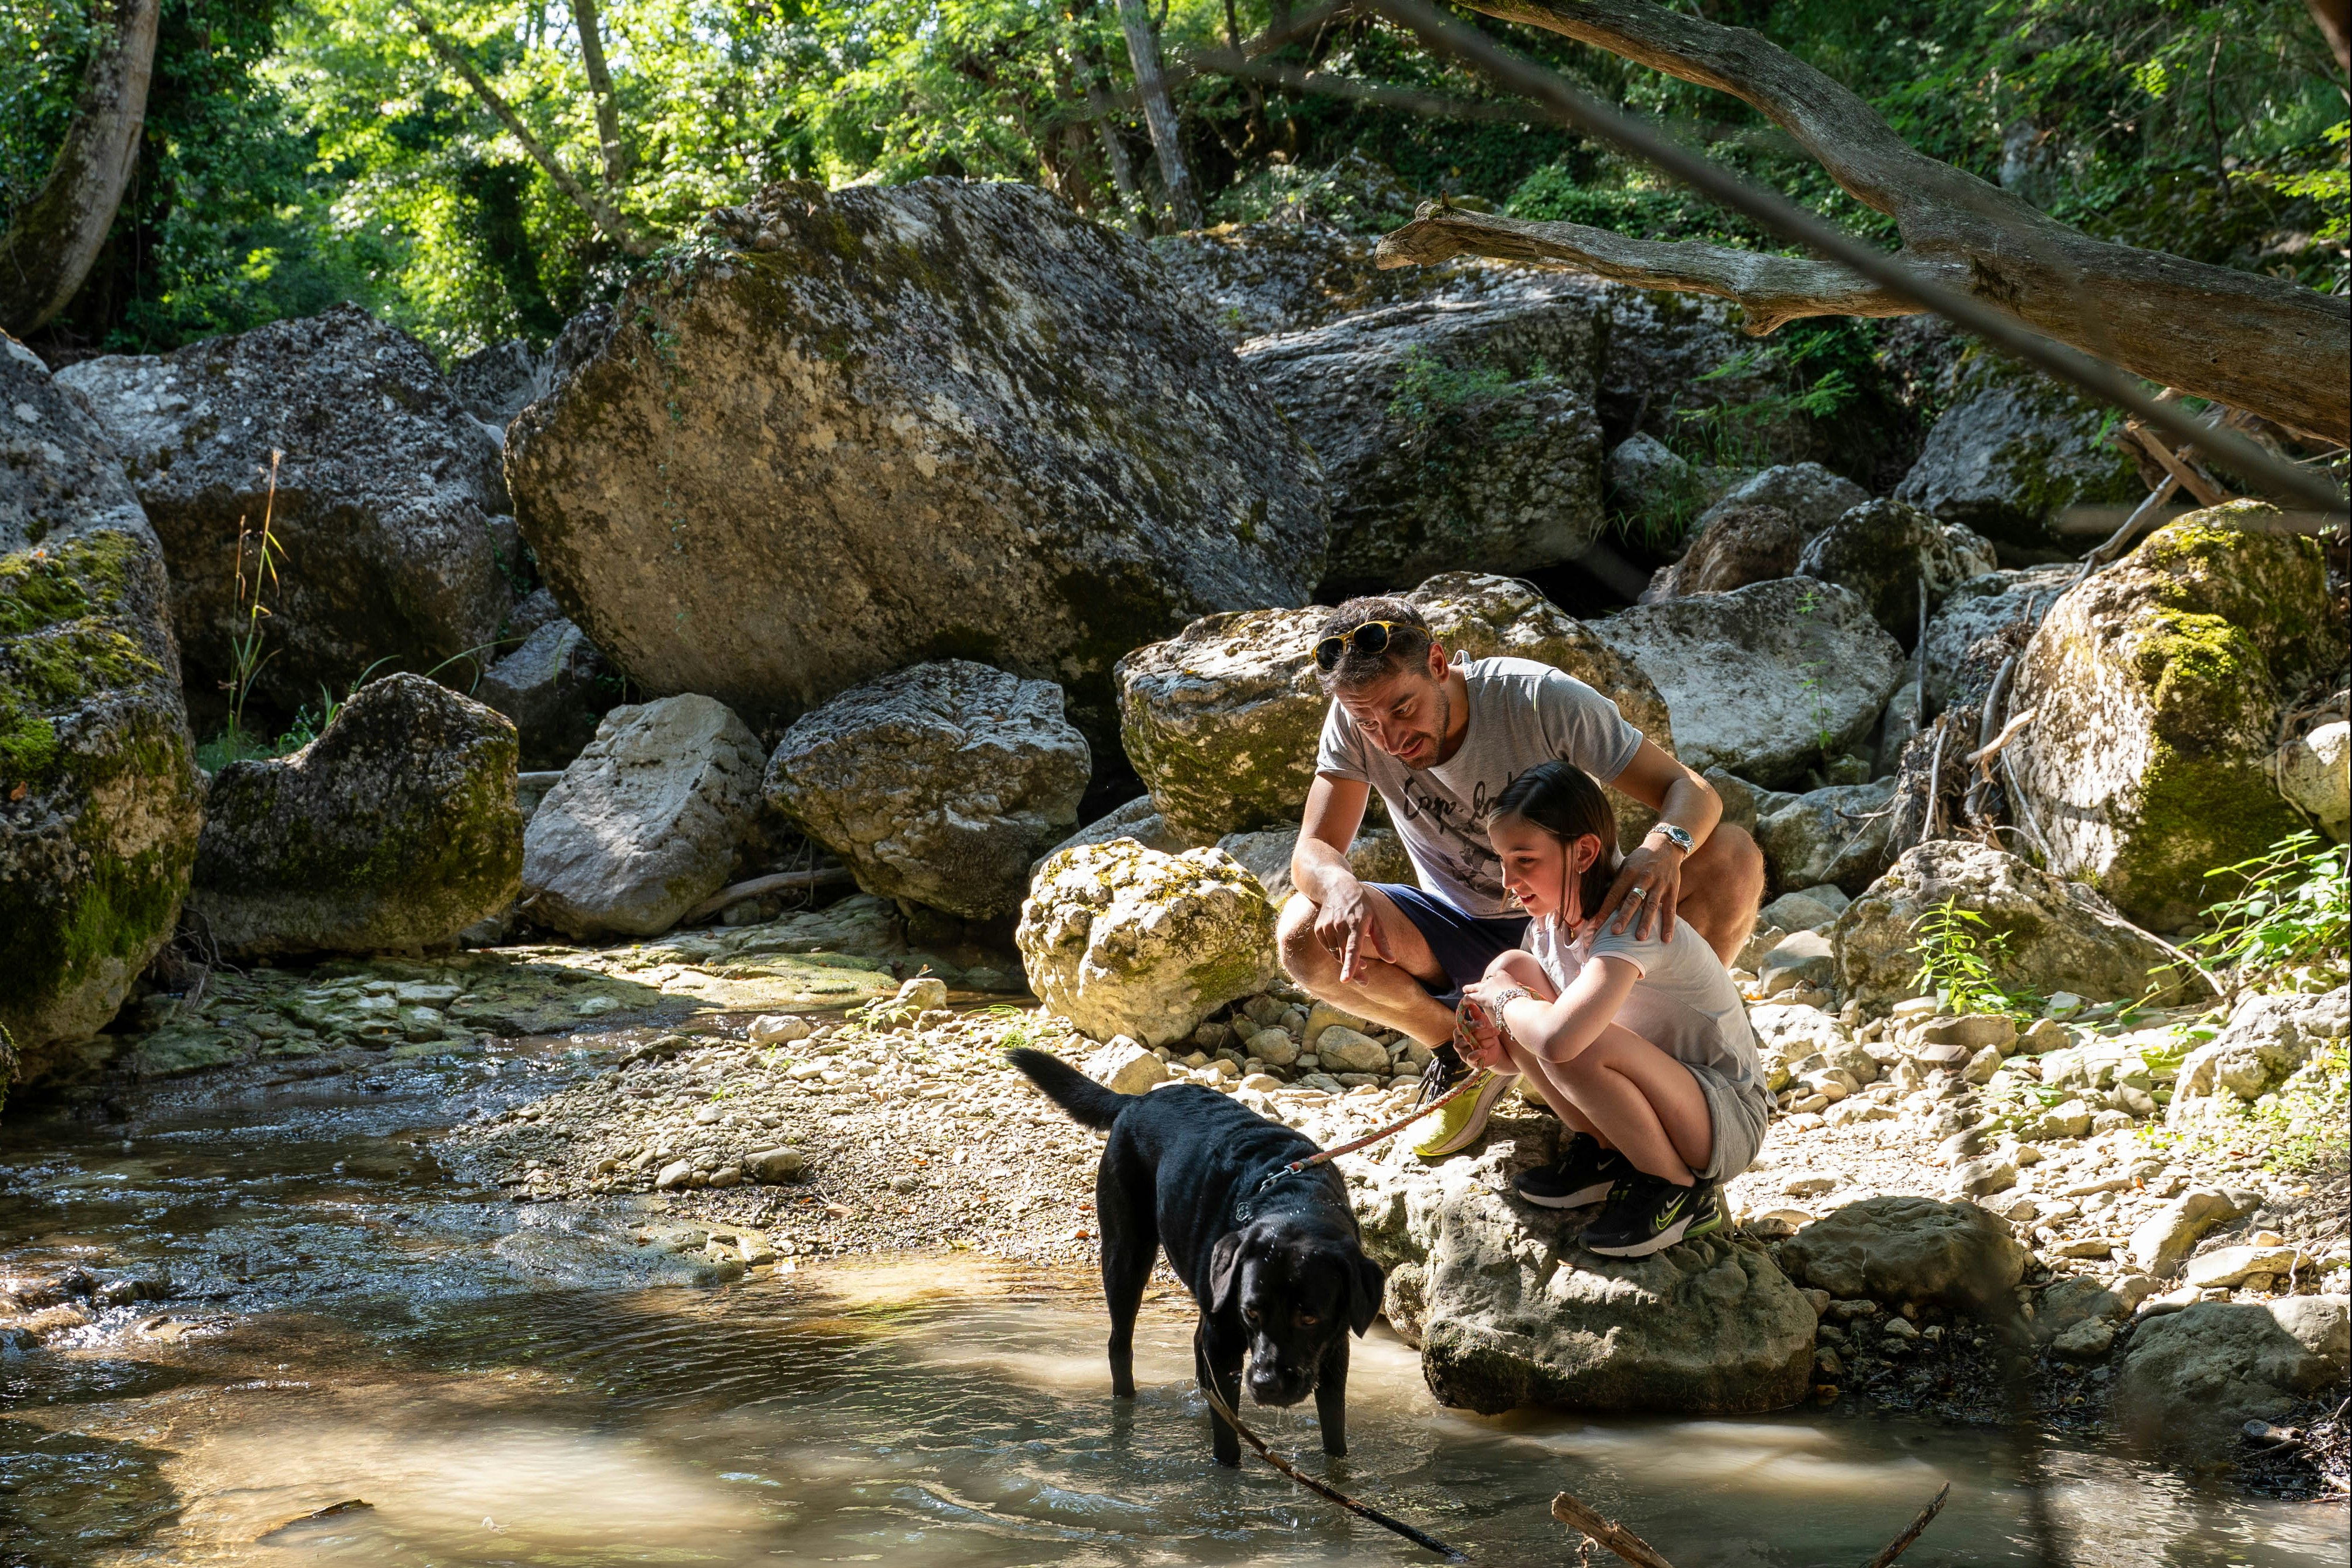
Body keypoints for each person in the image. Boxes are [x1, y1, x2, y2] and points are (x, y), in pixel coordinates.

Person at [1278, 597, 1764, 1158]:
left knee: (1732, 855)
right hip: (1460, 928)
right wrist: (1340, 886)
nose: (1388, 738)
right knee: (1305, 930)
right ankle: (1458, 1049)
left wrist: (1661, 850)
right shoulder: (1359, 714)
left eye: (1403, 710)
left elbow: (1691, 791)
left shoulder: (1536, 697)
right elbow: (1313, 848)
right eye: (1369, 723)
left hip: (1579, 925)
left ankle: (1664, 1065)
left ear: (1438, 663)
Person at [1457, 760, 1771, 1257]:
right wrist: (1492, 1041)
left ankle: (1676, 1190)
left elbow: (1560, 1041)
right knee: (1513, 966)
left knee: (1572, 1036)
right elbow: (1527, 1052)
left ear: (1583, 852)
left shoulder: (1632, 919)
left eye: (1524, 860)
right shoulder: (1546, 929)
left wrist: (1502, 1001)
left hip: (1724, 1114)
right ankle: (1605, 1155)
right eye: (1502, 861)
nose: (1507, 880)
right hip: (1664, 1096)